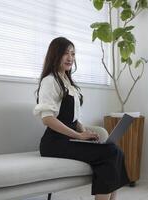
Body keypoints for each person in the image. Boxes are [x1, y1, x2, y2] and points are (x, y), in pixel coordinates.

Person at [34, 37, 130, 200]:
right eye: (65, 53)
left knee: (116, 151)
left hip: (69, 140)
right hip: (54, 144)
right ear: (55, 55)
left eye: (73, 53)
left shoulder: (67, 82)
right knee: (110, 153)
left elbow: (72, 119)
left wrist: (85, 131)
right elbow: (48, 119)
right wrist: (78, 136)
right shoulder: (50, 81)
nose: (70, 58)